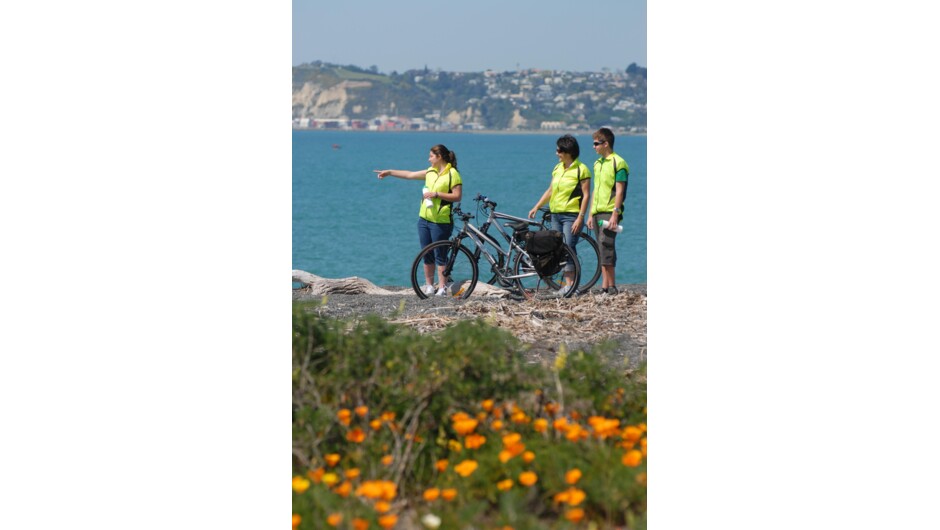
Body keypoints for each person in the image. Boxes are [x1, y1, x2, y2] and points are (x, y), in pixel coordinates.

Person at [375, 144, 463, 296]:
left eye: (431, 156)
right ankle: (429, 286)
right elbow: (410, 174)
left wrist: (436, 194)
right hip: (424, 219)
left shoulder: (452, 174)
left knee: (440, 255)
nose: (428, 159)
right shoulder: (430, 172)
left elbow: (457, 196)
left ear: (439, 157)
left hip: (441, 221)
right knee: (426, 253)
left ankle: (442, 287)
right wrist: (389, 172)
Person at [528, 134, 591, 295]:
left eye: (559, 150)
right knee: (558, 250)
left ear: (567, 151)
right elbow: (550, 191)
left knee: (568, 247)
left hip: (572, 215)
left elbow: (586, 195)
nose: (556, 153)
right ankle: (566, 285)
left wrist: (580, 217)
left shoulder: (581, 169)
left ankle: (572, 286)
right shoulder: (557, 168)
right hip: (555, 214)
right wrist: (536, 206)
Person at [585, 127, 629, 295]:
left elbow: (619, 191)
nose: (593, 147)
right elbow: (596, 189)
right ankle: (608, 286)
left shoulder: (619, 163)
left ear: (606, 143)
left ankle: (608, 287)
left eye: (596, 143)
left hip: (610, 212)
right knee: (602, 247)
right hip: (597, 212)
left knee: (607, 246)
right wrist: (590, 214)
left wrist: (615, 214)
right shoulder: (598, 164)